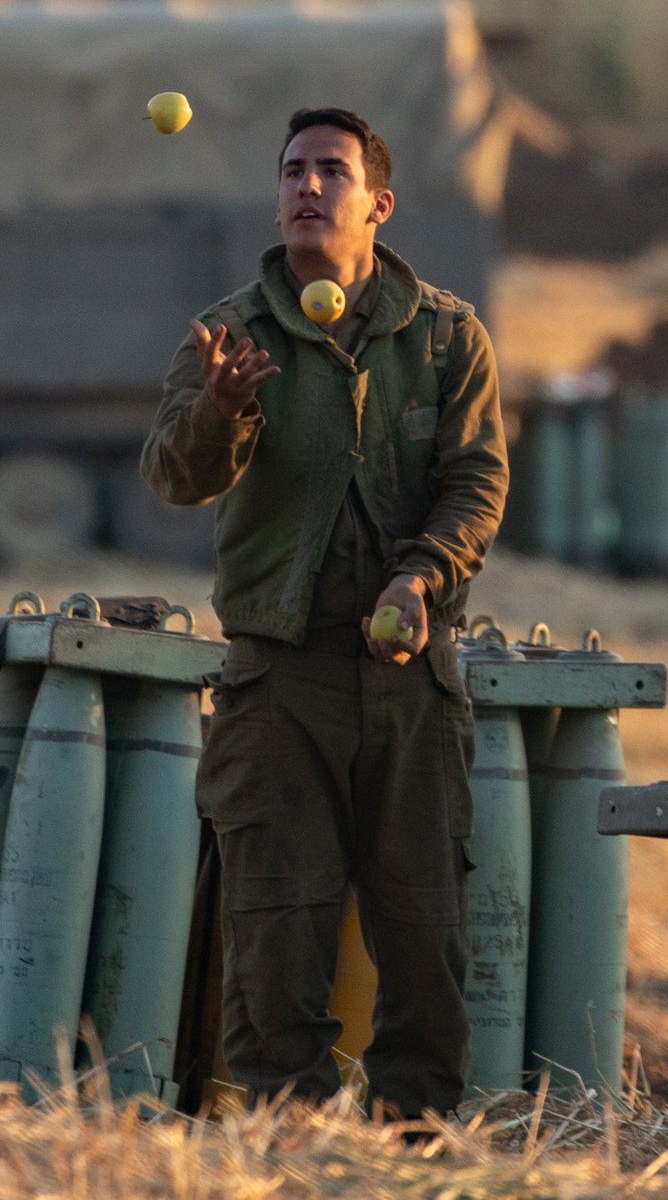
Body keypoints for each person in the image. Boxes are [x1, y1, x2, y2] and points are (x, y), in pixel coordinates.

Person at [142, 106, 508, 1120]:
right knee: (273, 937)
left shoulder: (444, 335)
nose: (309, 185)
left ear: (378, 204)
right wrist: (219, 411)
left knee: (426, 937)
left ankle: (413, 1149)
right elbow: (171, 474)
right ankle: (287, 1148)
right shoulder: (229, 334)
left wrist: (421, 576)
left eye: (333, 171)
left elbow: (476, 482)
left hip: (410, 681)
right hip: (278, 680)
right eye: (293, 168)